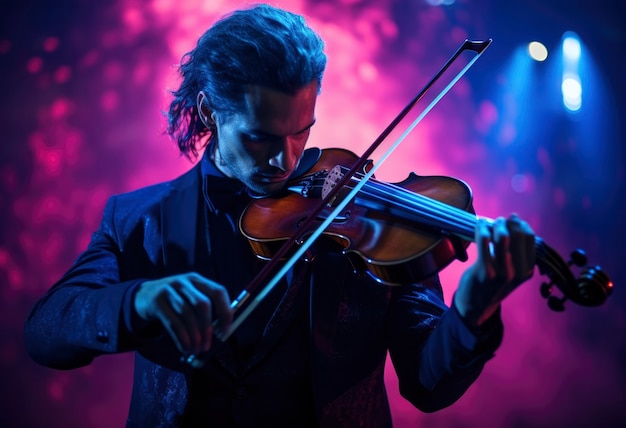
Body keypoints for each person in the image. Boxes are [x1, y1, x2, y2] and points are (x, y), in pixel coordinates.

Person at [24, 4, 536, 427]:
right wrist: (138, 300)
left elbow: (428, 384)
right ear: (208, 112)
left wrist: (472, 313)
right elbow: (46, 332)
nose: (285, 160)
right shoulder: (138, 218)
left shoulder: (371, 227)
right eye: (261, 137)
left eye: (301, 132)